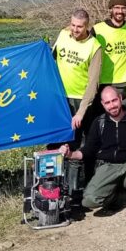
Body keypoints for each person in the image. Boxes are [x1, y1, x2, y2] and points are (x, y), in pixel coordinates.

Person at [63, 86, 126, 222]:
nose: (112, 106)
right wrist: (70, 154)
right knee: (89, 200)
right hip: (108, 167)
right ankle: (117, 196)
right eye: (107, 103)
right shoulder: (99, 123)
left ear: (120, 99)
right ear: (102, 104)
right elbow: (87, 151)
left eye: (114, 101)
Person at [52, 8, 103, 149]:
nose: (75, 29)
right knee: (56, 139)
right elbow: (50, 59)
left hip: (79, 100)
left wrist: (81, 112)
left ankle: (76, 170)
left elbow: (93, 83)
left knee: (76, 142)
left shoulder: (94, 46)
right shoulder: (62, 34)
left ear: (87, 26)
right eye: (73, 25)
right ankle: (56, 170)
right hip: (59, 96)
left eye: (79, 26)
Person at [94, 0, 126, 107]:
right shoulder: (97, 29)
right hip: (102, 82)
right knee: (102, 119)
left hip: (123, 83)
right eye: (117, 7)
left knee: (122, 118)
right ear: (111, 9)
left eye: (123, 8)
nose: (120, 11)